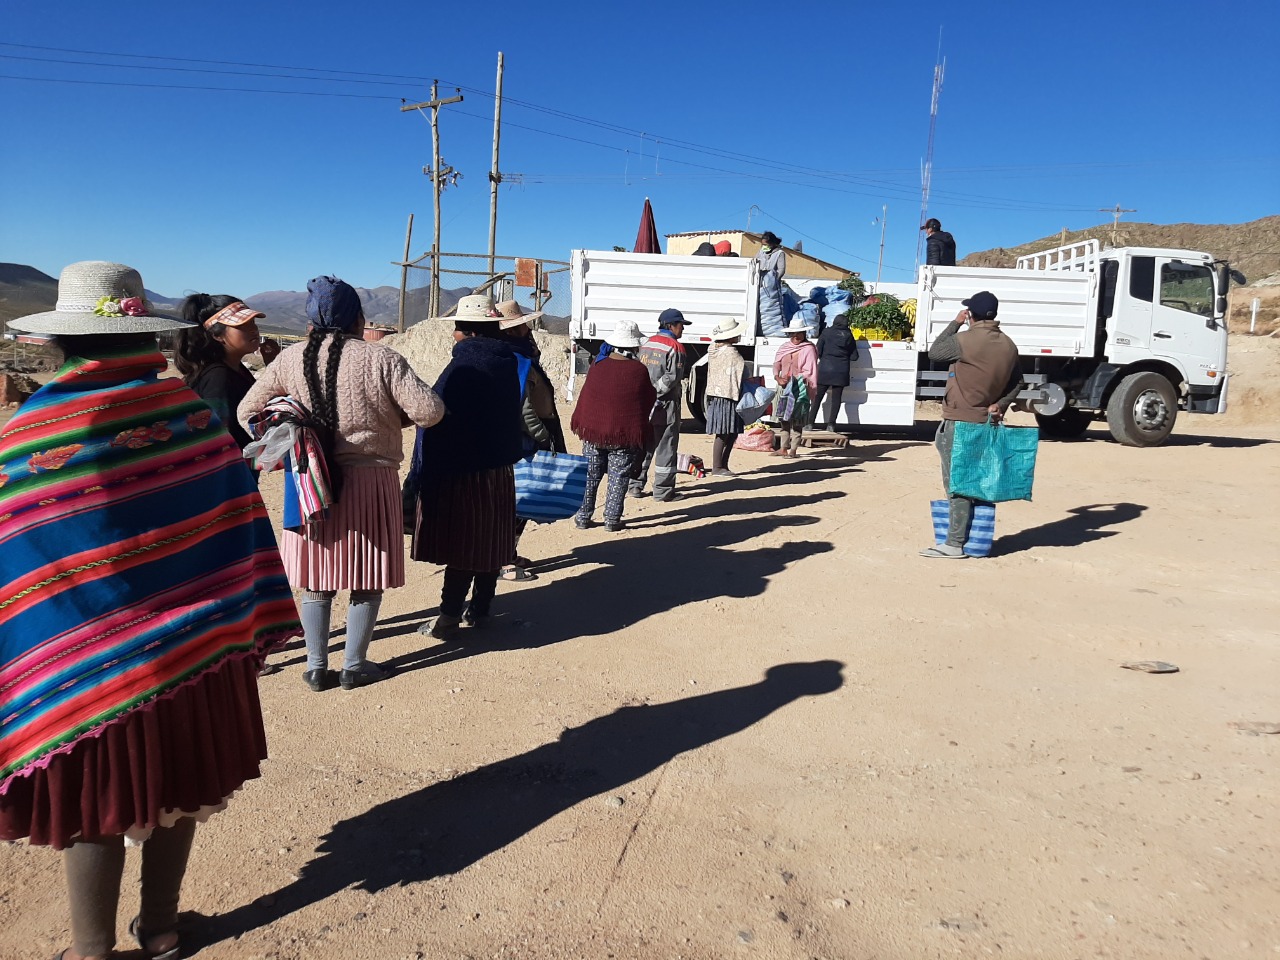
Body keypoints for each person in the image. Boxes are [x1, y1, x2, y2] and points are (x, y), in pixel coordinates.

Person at [0, 261, 301, 960]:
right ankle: (161, 928)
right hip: (192, 652)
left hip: (80, 664)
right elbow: (234, 522)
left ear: (58, 342)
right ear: (143, 336)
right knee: (181, 793)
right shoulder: (190, 417)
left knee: (94, 811)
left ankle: (92, 948)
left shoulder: (32, 432)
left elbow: (18, 550)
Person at [240, 276, 445, 688]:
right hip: (371, 479)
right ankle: (354, 665)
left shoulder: (288, 359)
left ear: (310, 320)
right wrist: (391, 415)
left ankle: (316, 664)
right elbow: (430, 411)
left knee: (317, 577)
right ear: (359, 318)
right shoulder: (382, 359)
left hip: (310, 483)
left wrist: (297, 434)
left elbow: (249, 412)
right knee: (365, 578)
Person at [408, 295, 524, 637]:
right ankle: (482, 609)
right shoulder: (505, 361)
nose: (454, 334)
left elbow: (434, 414)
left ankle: (447, 616)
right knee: (490, 540)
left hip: (465, 470)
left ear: (468, 332)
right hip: (498, 469)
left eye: (457, 328)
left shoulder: (464, 366)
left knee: (464, 545)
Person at [919, 290, 1023, 559]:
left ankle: (954, 543)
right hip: (986, 422)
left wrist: (955, 323)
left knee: (957, 482)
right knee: (977, 480)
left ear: (971, 315)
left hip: (959, 421)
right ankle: (976, 541)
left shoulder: (965, 340)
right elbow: (1018, 382)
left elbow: (936, 351)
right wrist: (1001, 404)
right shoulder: (1009, 345)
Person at [497, 299, 566, 582]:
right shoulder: (517, 362)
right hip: (524, 441)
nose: (528, 328)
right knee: (517, 502)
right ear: (513, 331)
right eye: (522, 325)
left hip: (520, 440)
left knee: (519, 502)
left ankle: (508, 553)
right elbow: (524, 408)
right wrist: (542, 436)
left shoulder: (519, 357)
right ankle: (503, 561)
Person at [571, 320, 656, 532]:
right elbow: (647, 399)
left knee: (590, 474)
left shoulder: (597, 365)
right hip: (623, 435)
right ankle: (612, 519)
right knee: (619, 477)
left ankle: (583, 516)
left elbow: (588, 397)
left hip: (594, 432)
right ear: (634, 346)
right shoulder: (638, 370)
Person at [174, 295, 275, 451]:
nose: (253, 329)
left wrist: (273, 364)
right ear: (217, 335)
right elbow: (219, 441)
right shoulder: (217, 378)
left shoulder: (236, 369)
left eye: (253, 322)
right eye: (242, 325)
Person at [629, 307, 688, 502]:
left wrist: (646, 394)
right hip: (665, 405)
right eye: (681, 325)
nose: (683, 329)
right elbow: (672, 377)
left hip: (642, 405)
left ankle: (635, 485)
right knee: (665, 446)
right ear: (671, 326)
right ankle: (663, 491)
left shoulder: (646, 344)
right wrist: (656, 392)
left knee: (643, 445)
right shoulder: (676, 348)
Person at [704, 317, 747, 476]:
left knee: (725, 431)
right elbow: (741, 374)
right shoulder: (731, 353)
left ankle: (721, 466)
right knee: (726, 431)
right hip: (729, 395)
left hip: (716, 394)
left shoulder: (714, 349)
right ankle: (718, 466)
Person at [772, 317, 819, 457]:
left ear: (804, 333)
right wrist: (777, 377)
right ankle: (783, 448)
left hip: (799, 388)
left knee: (797, 419)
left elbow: (810, 371)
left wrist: (796, 379)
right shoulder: (784, 347)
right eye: (793, 333)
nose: (796, 336)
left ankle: (793, 449)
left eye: (799, 333)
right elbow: (777, 363)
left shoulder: (809, 349)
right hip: (783, 387)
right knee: (783, 418)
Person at [811, 312, 858, 432]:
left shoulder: (826, 332)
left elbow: (818, 351)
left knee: (817, 397)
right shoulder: (848, 335)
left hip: (825, 369)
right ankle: (831, 425)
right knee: (836, 399)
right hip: (841, 371)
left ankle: (809, 423)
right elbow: (854, 357)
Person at [754, 231, 787, 334]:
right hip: (759, 283)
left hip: (771, 286)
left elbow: (781, 270)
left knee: (770, 307)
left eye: (766, 245)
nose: (764, 247)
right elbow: (754, 262)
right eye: (762, 244)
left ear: (772, 244)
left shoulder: (779, 253)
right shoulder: (761, 252)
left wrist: (773, 280)